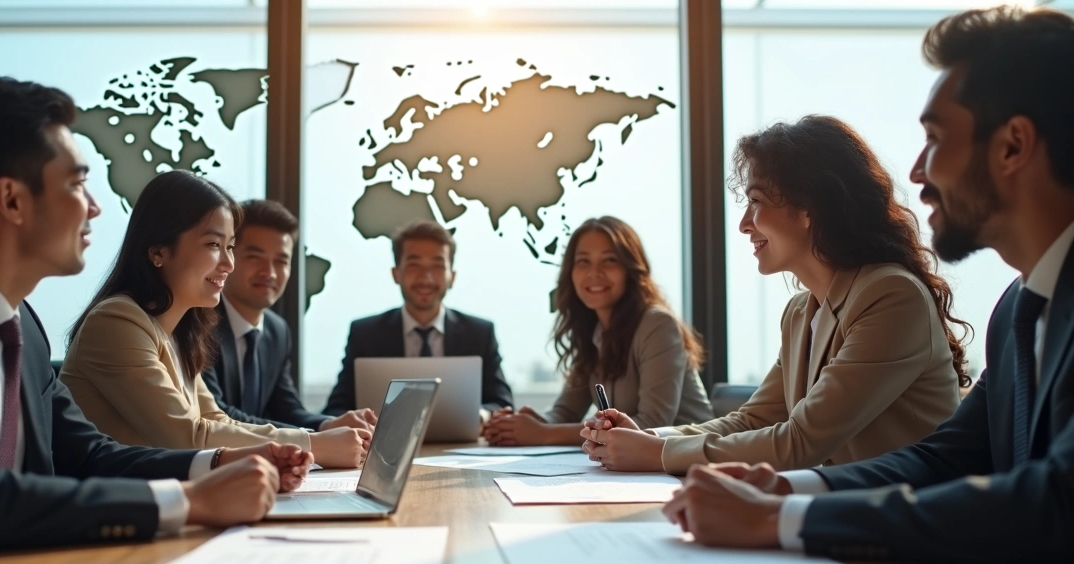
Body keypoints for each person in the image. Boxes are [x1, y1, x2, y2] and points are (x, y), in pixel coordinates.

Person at [0, 77, 312, 564]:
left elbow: (89, 453)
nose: (94, 206)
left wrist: (217, 463)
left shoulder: (21, 325)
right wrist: (190, 501)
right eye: (76, 184)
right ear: (11, 200)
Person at [661, 6, 1074, 564]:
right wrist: (785, 493)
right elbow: (943, 460)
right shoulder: (1016, 313)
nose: (917, 172)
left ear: (1012, 146)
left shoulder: (897, 295)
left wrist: (779, 519)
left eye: (934, 138)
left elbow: (1057, 501)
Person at [583, 116, 970, 474]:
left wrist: (654, 455)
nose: (743, 224)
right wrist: (648, 439)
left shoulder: (891, 296)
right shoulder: (801, 312)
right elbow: (753, 419)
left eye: (756, 202)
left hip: (904, 525)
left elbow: (801, 442)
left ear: (810, 209)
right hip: (842, 513)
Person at [62, 171, 370, 468]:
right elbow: (187, 436)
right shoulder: (117, 321)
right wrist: (315, 445)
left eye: (230, 247)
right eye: (213, 245)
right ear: (158, 252)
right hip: (111, 510)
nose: (228, 263)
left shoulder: (180, 330)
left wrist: (305, 445)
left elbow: (216, 420)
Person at [482, 216, 713, 446]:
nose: (595, 272)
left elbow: (650, 425)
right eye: (583, 261)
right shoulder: (592, 330)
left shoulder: (657, 325)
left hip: (687, 461)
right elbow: (565, 412)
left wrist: (542, 433)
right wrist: (522, 423)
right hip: (638, 466)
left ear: (631, 269)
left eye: (610, 260)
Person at [203, 199, 376, 434]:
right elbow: (217, 414)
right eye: (255, 257)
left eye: (281, 261)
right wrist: (316, 438)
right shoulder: (200, 322)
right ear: (229, 257)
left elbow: (287, 409)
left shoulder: (277, 330)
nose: (270, 272)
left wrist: (329, 424)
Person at [323, 220, 514, 416]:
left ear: (452, 276)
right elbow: (336, 408)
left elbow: (502, 403)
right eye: (414, 265)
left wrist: (479, 417)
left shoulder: (479, 333)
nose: (426, 277)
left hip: (462, 444)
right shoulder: (365, 334)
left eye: (437, 266)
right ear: (396, 274)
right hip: (386, 446)